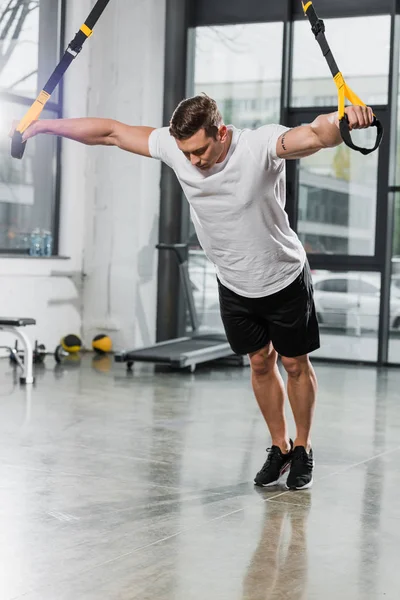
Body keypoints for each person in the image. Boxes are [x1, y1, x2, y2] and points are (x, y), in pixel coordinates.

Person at [13, 94, 374, 490]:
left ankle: (303, 447)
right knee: (258, 363)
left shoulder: (258, 146)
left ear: (220, 132)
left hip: (282, 277)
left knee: (293, 364)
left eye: (201, 150)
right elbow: (111, 132)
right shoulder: (177, 147)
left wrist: (343, 123)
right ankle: (280, 445)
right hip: (233, 282)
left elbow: (314, 135)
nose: (194, 162)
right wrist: (45, 126)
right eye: (186, 154)